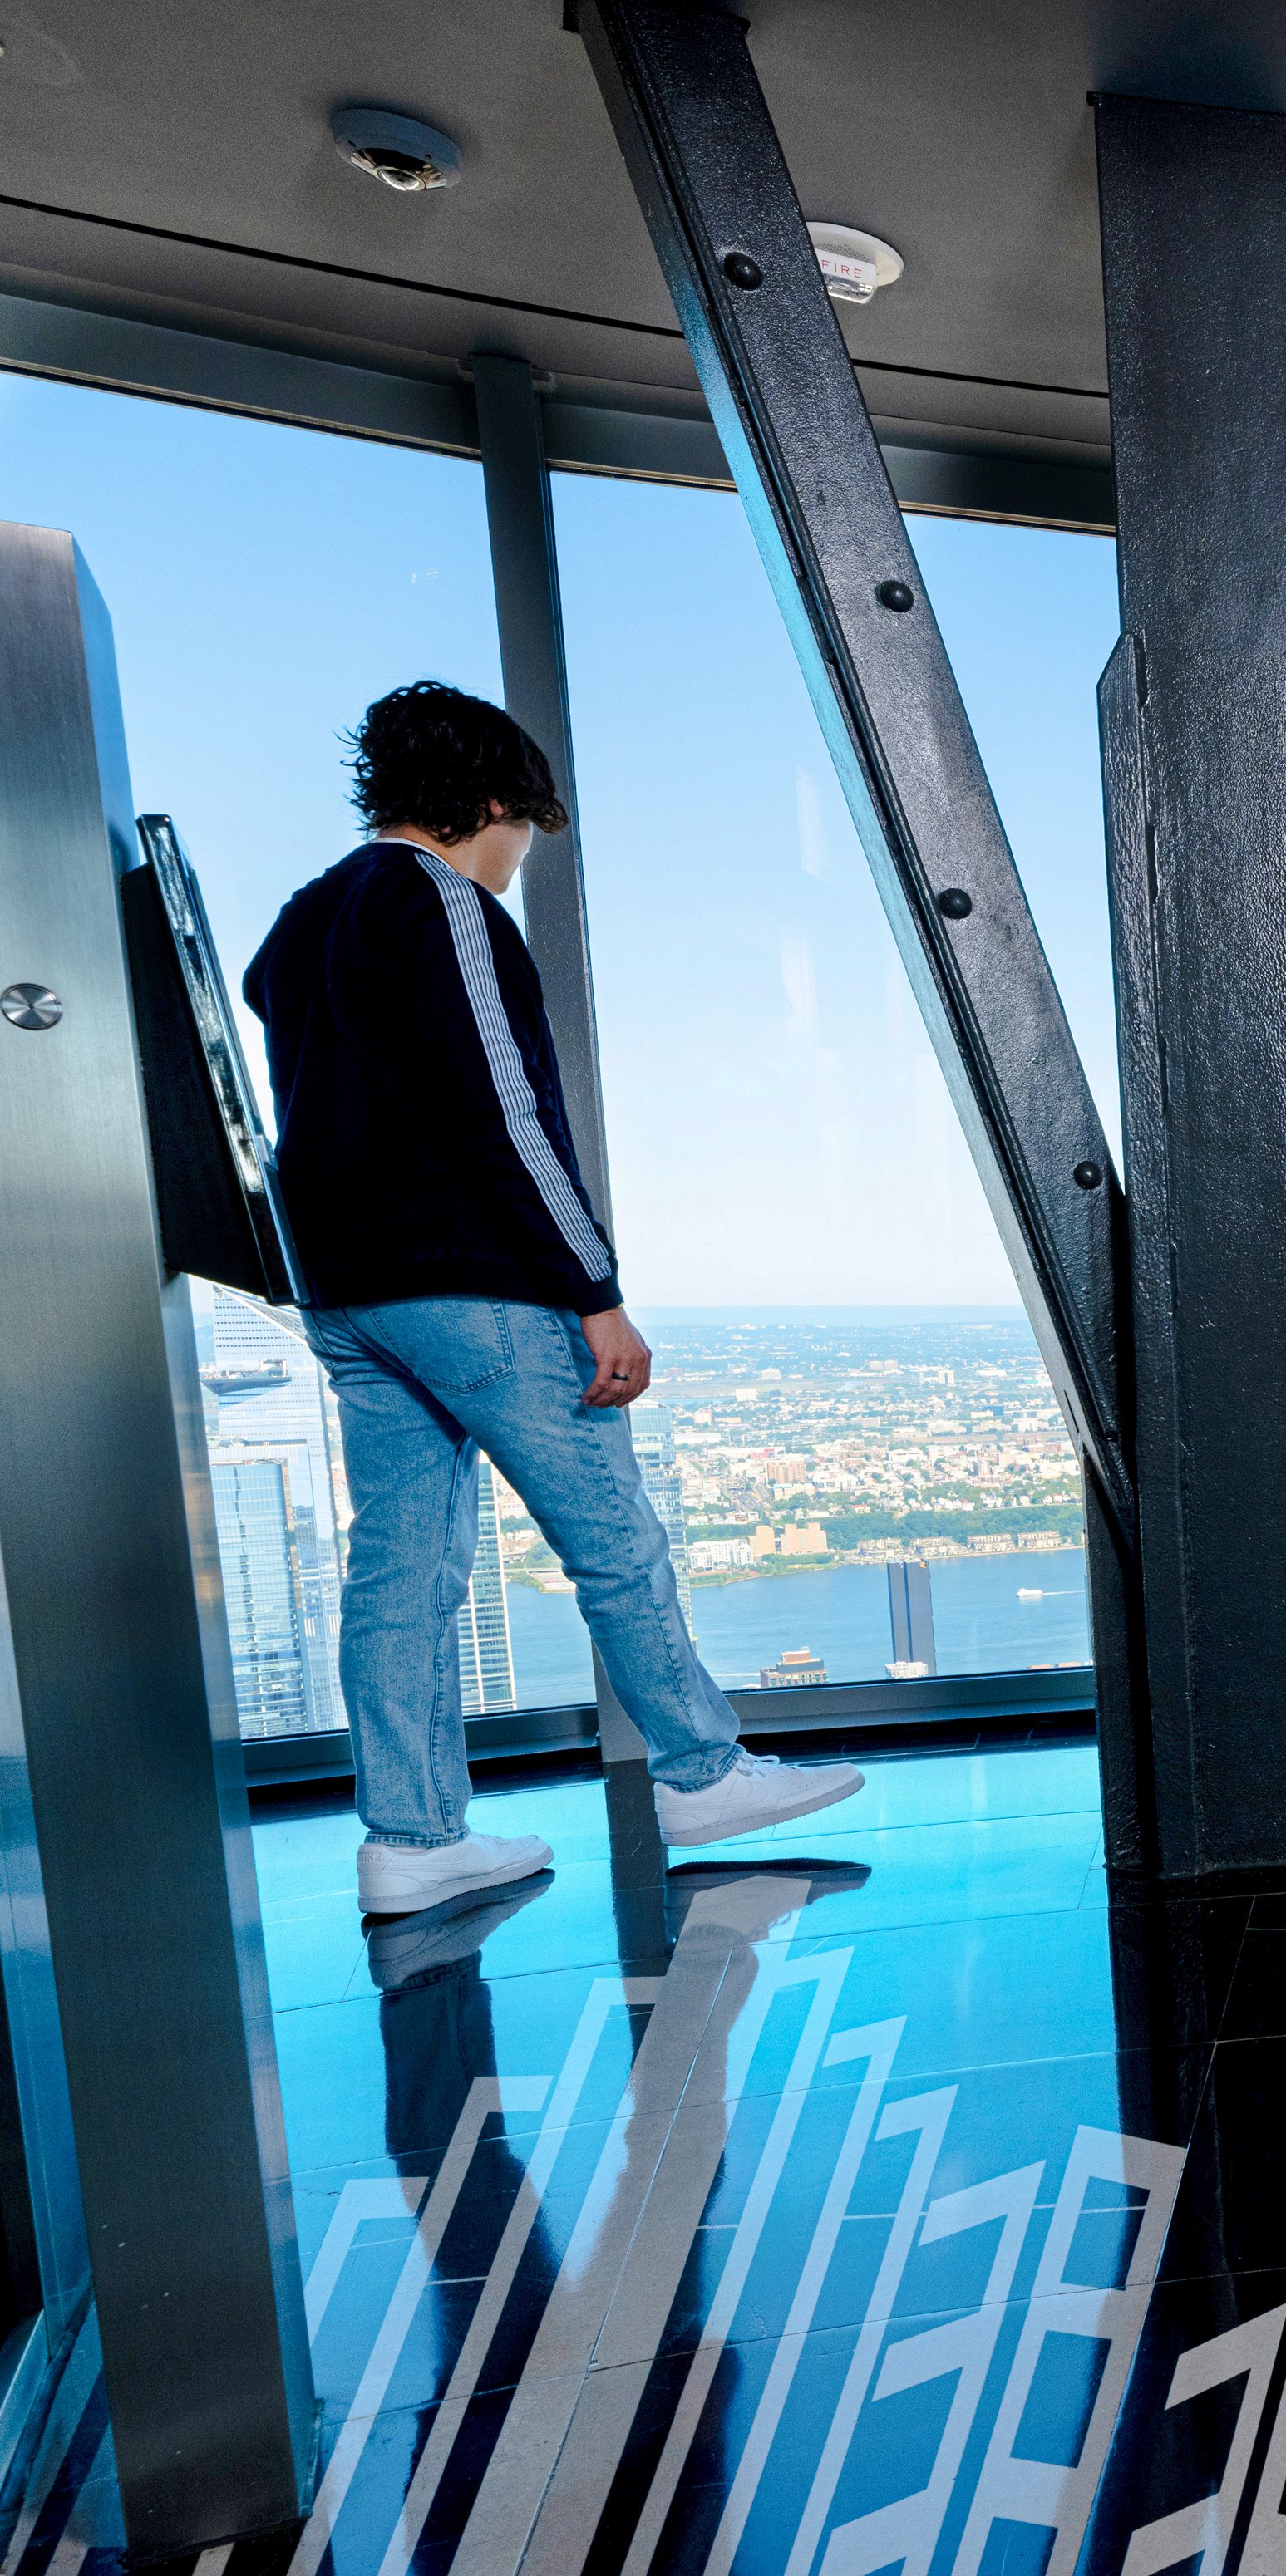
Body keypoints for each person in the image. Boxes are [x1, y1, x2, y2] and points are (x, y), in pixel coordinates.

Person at [246, 685, 863, 1920]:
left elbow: (285, 1061)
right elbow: (510, 1113)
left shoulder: (302, 920)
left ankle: (411, 1842)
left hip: (349, 1297)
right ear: (490, 805)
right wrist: (597, 1293)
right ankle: (703, 1774)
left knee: (402, 1572)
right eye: (523, 826)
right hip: (477, 1286)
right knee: (613, 1540)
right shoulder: (439, 901)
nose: (521, 855)